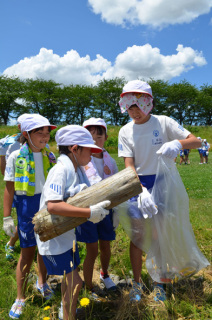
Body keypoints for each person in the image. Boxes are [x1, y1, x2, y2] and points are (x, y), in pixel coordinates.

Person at [118, 80, 201, 302]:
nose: (134, 112)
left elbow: (196, 140)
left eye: (138, 106)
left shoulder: (163, 123)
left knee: (160, 235)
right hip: (138, 184)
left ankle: (160, 283)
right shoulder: (125, 131)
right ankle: (137, 283)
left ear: (149, 104)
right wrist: (141, 190)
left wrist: (178, 145)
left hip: (164, 182)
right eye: (130, 107)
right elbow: (129, 164)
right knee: (138, 235)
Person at [35, 125, 111, 320]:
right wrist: (88, 213)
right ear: (74, 149)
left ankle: (65, 311)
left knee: (72, 279)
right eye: (88, 150)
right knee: (75, 281)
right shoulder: (60, 170)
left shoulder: (75, 168)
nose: (91, 154)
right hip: (53, 237)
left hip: (66, 236)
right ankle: (67, 315)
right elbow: (52, 205)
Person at [3, 114, 57, 319]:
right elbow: (9, 189)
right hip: (26, 206)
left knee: (44, 248)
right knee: (27, 252)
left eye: (47, 133)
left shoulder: (49, 155)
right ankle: (20, 296)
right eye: (39, 133)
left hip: (47, 204)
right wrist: (7, 217)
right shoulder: (16, 156)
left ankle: (41, 282)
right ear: (26, 134)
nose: (45, 137)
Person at [76, 118, 119, 296]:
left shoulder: (111, 161)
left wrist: (115, 211)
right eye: (89, 136)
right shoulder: (80, 162)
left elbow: (117, 186)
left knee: (106, 246)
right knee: (92, 249)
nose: (94, 140)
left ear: (106, 137)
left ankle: (105, 274)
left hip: (106, 211)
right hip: (88, 212)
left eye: (99, 136)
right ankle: (89, 285)